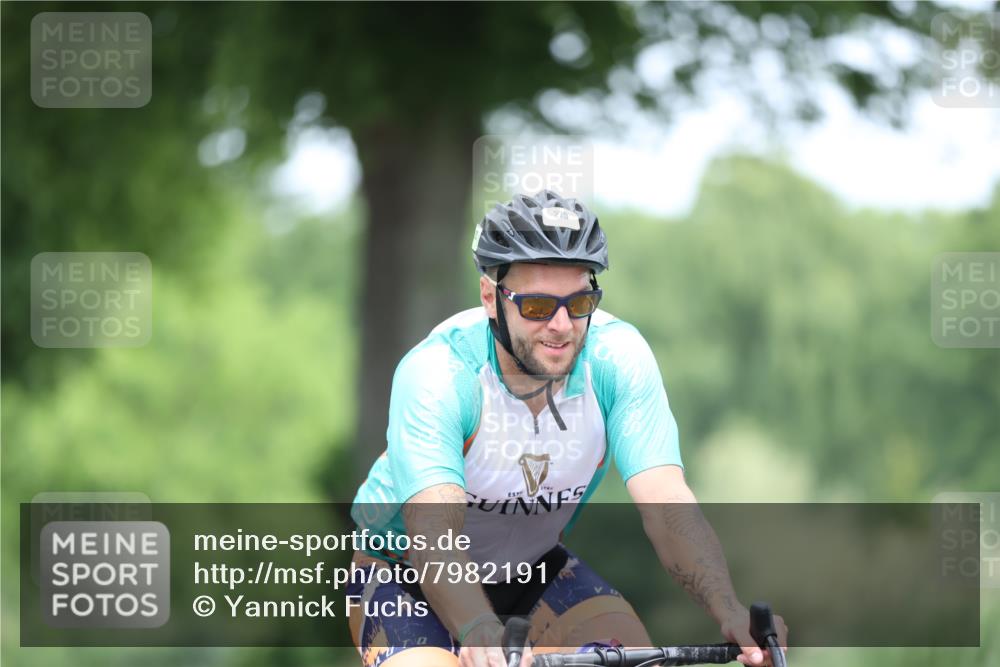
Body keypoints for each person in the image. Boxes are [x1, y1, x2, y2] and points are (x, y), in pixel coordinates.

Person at [348, 190, 787, 667]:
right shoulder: (440, 374)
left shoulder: (617, 359)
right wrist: (477, 626)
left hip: (535, 568)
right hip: (403, 575)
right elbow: (433, 534)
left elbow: (667, 504)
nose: (561, 325)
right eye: (538, 306)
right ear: (491, 298)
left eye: (579, 303)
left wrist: (728, 608)